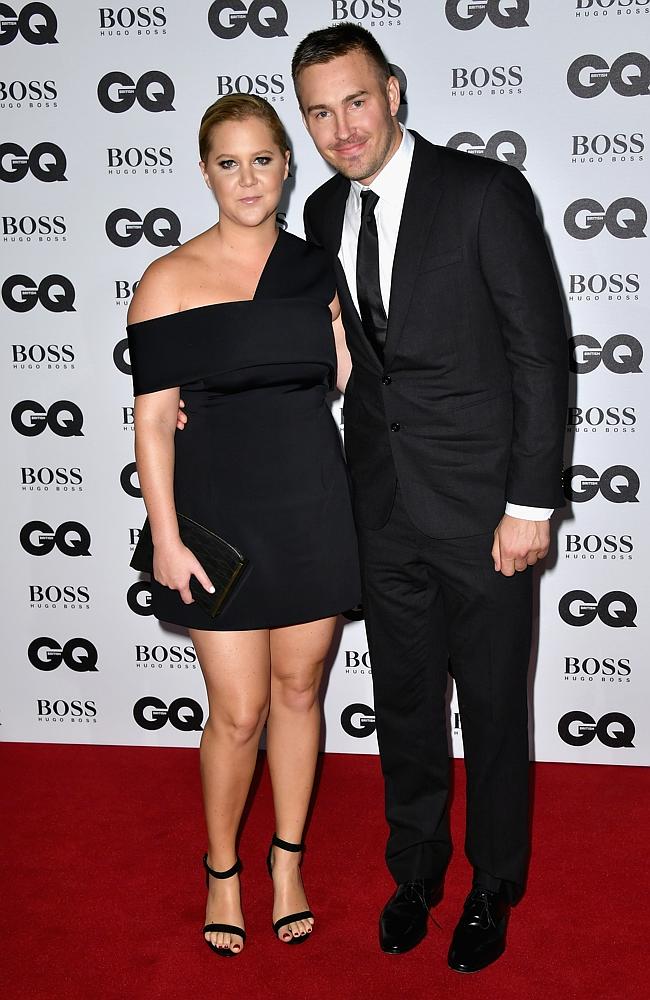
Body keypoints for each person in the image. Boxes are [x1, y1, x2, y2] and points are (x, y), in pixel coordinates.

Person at [292, 24, 568, 973]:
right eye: (319, 112)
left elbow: (539, 353)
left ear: (395, 93)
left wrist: (530, 501)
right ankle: (414, 871)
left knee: (492, 706)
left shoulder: (483, 193)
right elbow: (339, 361)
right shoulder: (324, 214)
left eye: (355, 101)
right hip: (383, 508)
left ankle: (494, 885)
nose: (341, 127)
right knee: (403, 700)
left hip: (486, 509)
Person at [126, 93, 360, 958]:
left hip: (311, 501)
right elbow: (152, 423)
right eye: (229, 162)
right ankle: (222, 866)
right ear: (205, 172)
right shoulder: (167, 279)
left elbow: (337, 378)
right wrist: (169, 537)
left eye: (263, 159)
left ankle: (286, 862)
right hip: (218, 511)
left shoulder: (317, 269)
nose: (248, 178)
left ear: (287, 164)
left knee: (302, 691)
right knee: (237, 708)